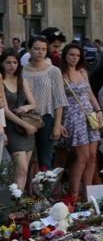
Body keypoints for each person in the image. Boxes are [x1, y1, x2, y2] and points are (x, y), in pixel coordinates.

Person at [59, 43, 103, 199]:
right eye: (71, 55)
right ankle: (74, 194)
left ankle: (88, 194)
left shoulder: (83, 71)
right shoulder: (60, 74)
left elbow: (90, 93)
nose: (74, 58)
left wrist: (98, 110)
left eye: (77, 55)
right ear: (65, 55)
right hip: (73, 116)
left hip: (89, 115)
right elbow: (58, 100)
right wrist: (60, 122)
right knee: (82, 157)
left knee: (92, 157)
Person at [22, 35, 67, 175]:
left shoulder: (53, 71)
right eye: (36, 48)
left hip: (47, 118)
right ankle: (24, 194)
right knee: (25, 160)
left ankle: (43, 195)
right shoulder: (21, 71)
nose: (40, 52)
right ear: (29, 50)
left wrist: (57, 125)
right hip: (25, 119)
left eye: (44, 49)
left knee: (45, 160)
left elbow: (59, 99)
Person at [3, 48, 41, 195]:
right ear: (2, 64)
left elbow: (33, 103)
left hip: (26, 129)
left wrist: (26, 107)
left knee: (23, 171)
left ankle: (18, 204)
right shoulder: (1, 80)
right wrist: (27, 125)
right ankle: (15, 204)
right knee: (22, 168)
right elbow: (5, 110)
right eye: (8, 62)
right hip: (12, 127)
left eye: (15, 62)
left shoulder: (21, 79)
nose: (12, 65)